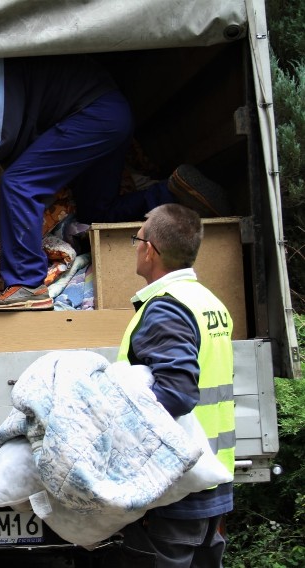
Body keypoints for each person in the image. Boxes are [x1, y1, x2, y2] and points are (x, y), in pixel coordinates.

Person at [0, 55, 230, 311]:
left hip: (91, 116)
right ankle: (172, 194)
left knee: (19, 183)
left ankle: (27, 283)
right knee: (97, 214)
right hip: (112, 116)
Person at [115, 203, 235, 567]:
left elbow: (175, 392)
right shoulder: (207, 302)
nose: (135, 246)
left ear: (149, 250)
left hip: (174, 488)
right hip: (209, 479)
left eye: (136, 239)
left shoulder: (167, 309)